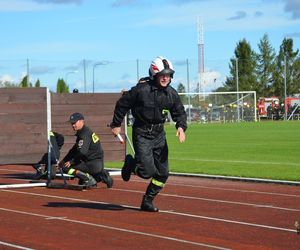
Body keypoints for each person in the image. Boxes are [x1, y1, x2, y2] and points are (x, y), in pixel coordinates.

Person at [110, 56, 187, 212]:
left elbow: (179, 112)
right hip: (142, 133)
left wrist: (181, 127)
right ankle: (131, 164)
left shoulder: (172, 94)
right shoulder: (141, 90)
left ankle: (147, 201)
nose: (166, 78)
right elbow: (122, 104)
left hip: (159, 135)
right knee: (147, 172)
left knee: (163, 173)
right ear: (154, 74)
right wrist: (116, 124)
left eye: (168, 74)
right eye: (162, 75)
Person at [58, 112, 113, 188]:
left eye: (75, 123)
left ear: (81, 121)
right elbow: (74, 150)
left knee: (65, 168)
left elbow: (82, 152)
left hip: (92, 164)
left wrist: (71, 162)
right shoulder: (85, 132)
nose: (73, 125)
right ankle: (101, 176)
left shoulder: (84, 135)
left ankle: (89, 178)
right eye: (72, 123)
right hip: (97, 164)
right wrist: (64, 160)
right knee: (81, 182)